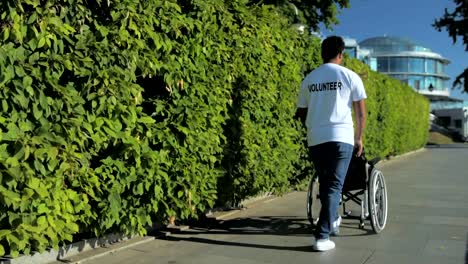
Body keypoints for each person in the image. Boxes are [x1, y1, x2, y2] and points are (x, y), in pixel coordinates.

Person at [295, 36, 367, 251]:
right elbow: (361, 113)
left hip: (316, 138)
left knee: (327, 185)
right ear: (341, 54)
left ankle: (332, 219)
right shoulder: (350, 76)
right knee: (334, 186)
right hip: (341, 137)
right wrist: (359, 138)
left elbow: (301, 112)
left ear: (322, 54)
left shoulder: (309, 79)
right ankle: (322, 237)